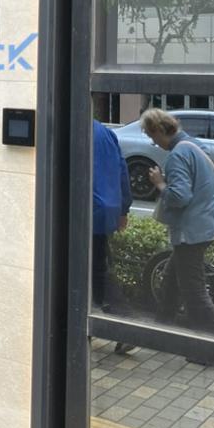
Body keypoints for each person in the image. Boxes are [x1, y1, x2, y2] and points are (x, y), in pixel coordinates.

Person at [141, 108, 214, 337]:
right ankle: (161, 332)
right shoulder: (193, 144)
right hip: (206, 225)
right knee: (170, 283)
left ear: (159, 130)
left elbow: (180, 197)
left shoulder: (177, 155)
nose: (154, 142)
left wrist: (160, 183)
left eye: (151, 136)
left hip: (191, 232)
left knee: (194, 292)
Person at [92, 119, 132, 316]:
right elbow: (122, 170)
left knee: (92, 264)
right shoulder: (106, 133)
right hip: (108, 208)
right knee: (99, 260)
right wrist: (124, 208)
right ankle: (105, 306)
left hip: (87, 209)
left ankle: (105, 309)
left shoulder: (75, 130)